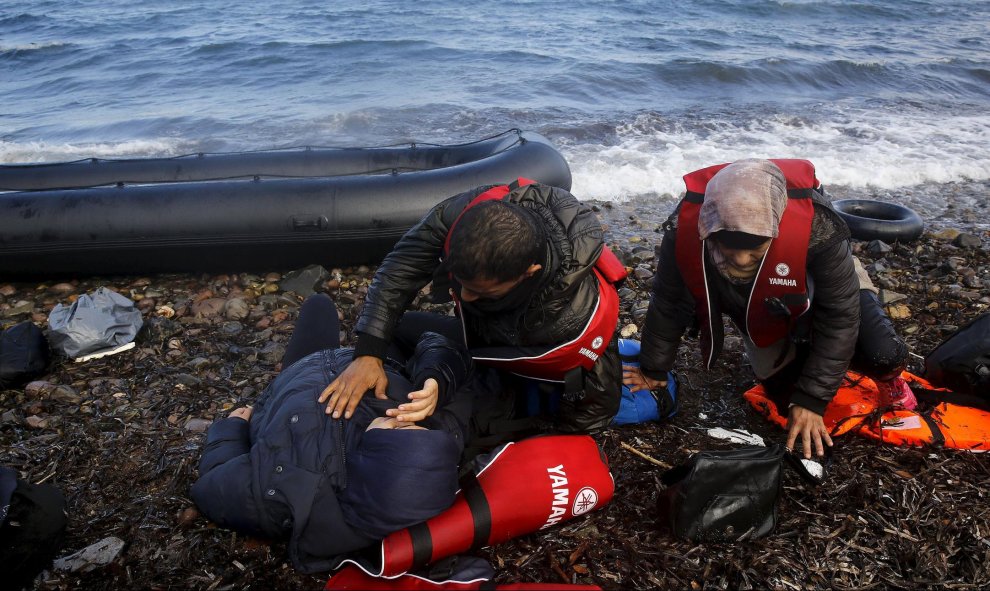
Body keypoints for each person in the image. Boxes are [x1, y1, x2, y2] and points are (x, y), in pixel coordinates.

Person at [623, 158, 911, 459]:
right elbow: (669, 300)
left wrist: (812, 399)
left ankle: (891, 378)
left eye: (753, 249)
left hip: (823, 283)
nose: (743, 259)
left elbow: (839, 316)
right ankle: (797, 352)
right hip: (759, 303)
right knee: (785, 398)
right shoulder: (688, 227)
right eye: (729, 249)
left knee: (882, 355)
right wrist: (654, 368)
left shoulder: (818, 226)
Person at [318, 178, 627, 438]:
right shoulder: (464, 215)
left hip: (526, 361)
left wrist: (556, 437)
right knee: (395, 327)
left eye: (479, 290)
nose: (464, 297)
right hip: (480, 337)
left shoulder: (573, 313)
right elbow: (401, 268)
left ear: (528, 272)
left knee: (455, 420)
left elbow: (598, 397)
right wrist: (368, 352)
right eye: (461, 283)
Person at [189, 294, 475, 574]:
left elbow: (213, 484)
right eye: (415, 428)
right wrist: (435, 379)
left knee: (317, 304)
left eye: (400, 428)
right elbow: (444, 348)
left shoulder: (284, 496)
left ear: (376, 461)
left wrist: (231, 430)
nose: (403, 419)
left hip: (298, 375)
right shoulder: (431, 446)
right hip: (369, 365)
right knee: (380, 318)